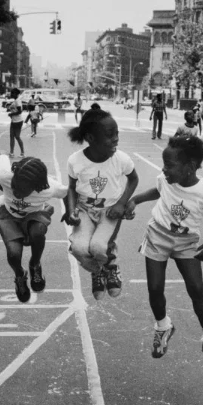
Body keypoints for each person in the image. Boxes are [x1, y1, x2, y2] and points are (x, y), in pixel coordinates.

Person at [125, 135, 203, 367]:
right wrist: (135, 200)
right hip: (158, 235)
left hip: (187, 241)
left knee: (196, 288)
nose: (164, 169)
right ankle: (163, 326)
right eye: (164, 164)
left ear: (190, 167)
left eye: (169, 165)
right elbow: (158, 190)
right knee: (155, 287)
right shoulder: (166, 179)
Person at [63, 109, 139, 300]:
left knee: (98, 247)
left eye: (117, 133)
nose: (116, 139)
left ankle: (111, 265)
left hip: (109, 211)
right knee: (79, 249)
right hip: (84, 210)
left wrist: (121, 204)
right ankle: (98, 271)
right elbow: (71, 188)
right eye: (109, 135)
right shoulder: (75, 161)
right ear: (90, 138)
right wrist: (71, 210)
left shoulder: (121, 159)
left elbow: (133, 180)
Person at [0, 153, 69, 302]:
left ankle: (35, 264)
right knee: (13, 254)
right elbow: (1, 156)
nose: (16, 193)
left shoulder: (49, 189)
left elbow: (67, 192)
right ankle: (20, 274)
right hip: (8, 214)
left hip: (34, 215)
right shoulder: (4, 176)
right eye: (14, 187)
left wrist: (69, 213)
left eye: (22, 190)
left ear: (35, 187)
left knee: (38, 232)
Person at [6, 88, 25, 158]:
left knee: (17, 137)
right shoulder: (15, 101)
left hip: (18, 121)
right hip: (13, 121)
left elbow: (20, 111)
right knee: (11, 136)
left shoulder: (18, 101)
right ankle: (11, 152)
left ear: (17, 94)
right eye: (11, 93)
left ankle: (22, 153)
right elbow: (14, 109)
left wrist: (11, 114)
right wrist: (9, 110)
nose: (11, 94)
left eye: (13, 93)